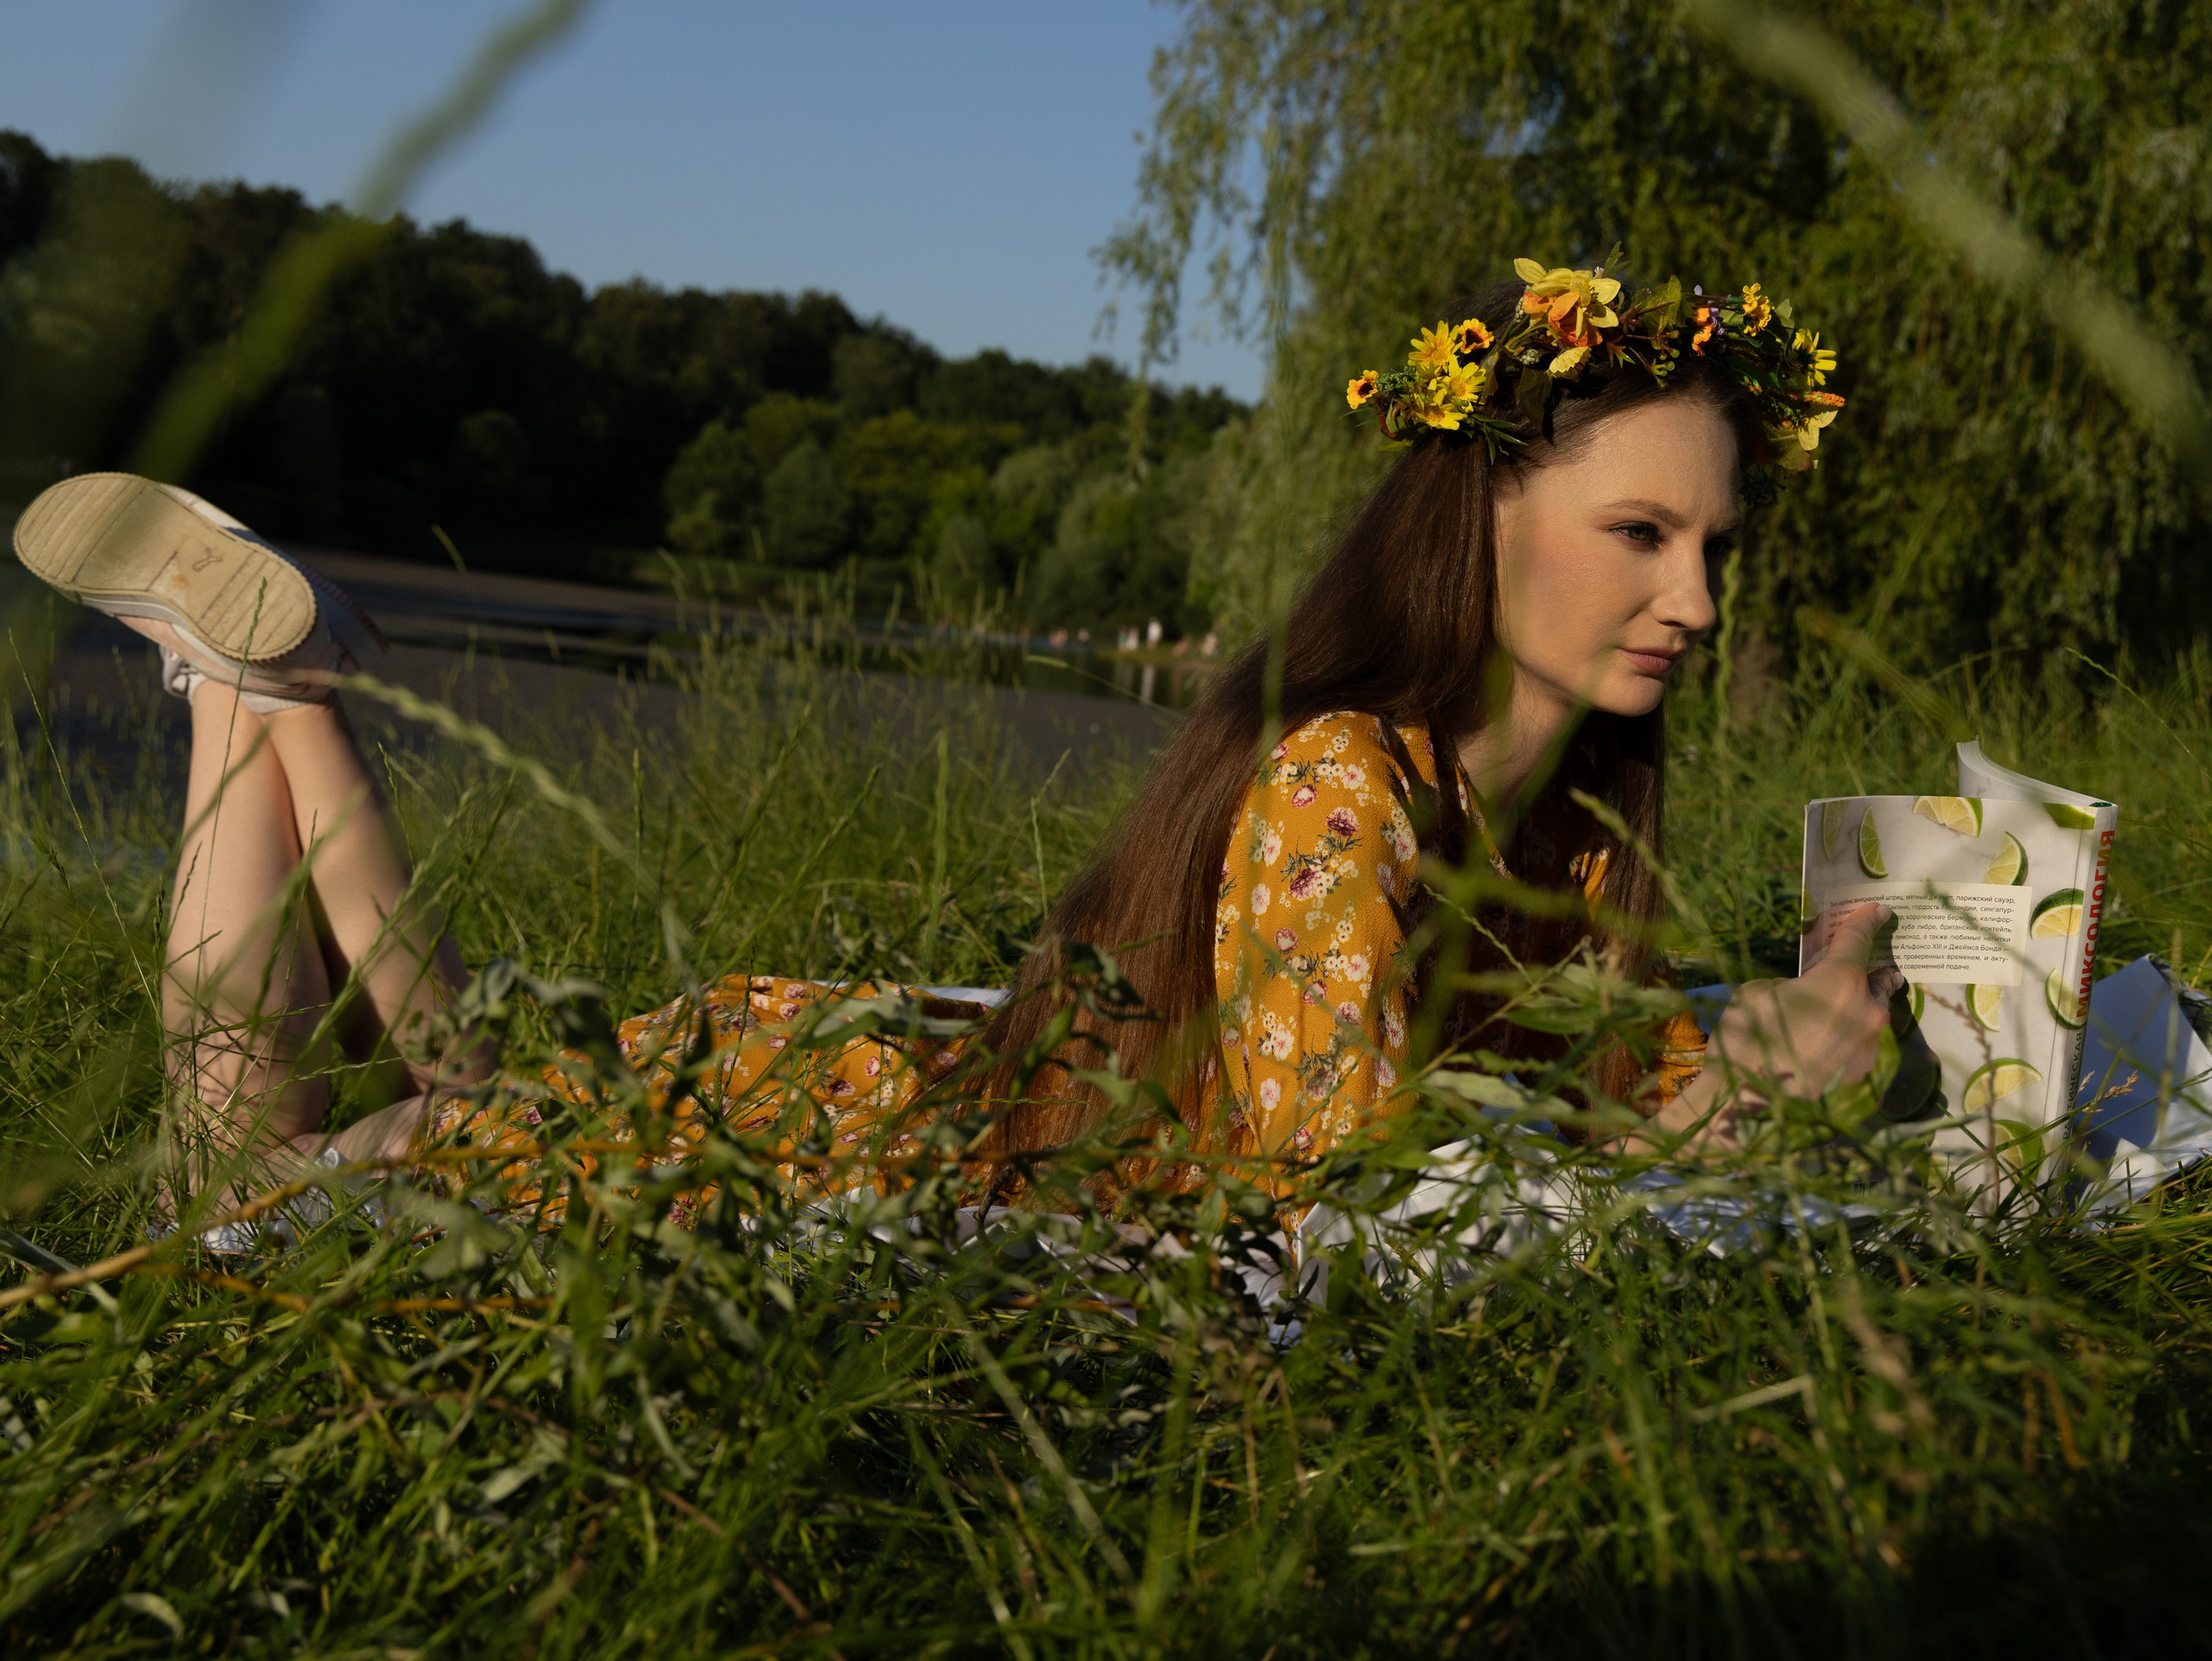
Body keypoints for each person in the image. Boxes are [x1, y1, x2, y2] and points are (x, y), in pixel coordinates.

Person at [10, 257, 1889, 1233]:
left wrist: (1762, 1042)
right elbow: (1340, 1190)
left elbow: (1568, 1080)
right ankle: (259, 693)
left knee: (433, 1093)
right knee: (246, 1190)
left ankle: (265, 689)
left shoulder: (1565, 830)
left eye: (1712, 546)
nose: (1693, 599)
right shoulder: (1344, 783)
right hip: (831, 1142)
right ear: (1481, 515)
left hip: (878, 1091)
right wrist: (1716, 1115)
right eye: (1640, 533)